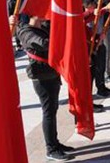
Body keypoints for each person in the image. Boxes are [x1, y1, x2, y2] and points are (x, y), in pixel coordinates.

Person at [13, 15, 76, 161]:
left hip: (51, 73)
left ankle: (55, 142)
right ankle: (51, 149)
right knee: (48, 112)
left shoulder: (43, 28)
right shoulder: (25, 31)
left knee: (52, 110)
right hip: (41, 77)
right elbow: (42, 43)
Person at [83, 0, 110, 98]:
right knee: (93, 71)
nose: (94, 8)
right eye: (91, 7)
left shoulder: (97, 12)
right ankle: (90, 94)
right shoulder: (83, 17)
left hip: (99, 43)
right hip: (91, 47)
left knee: (101, 67)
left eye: (94, 6)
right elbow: (86, 32)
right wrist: (96, 38)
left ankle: (101, 87)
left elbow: (106, 8)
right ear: (86, 7)